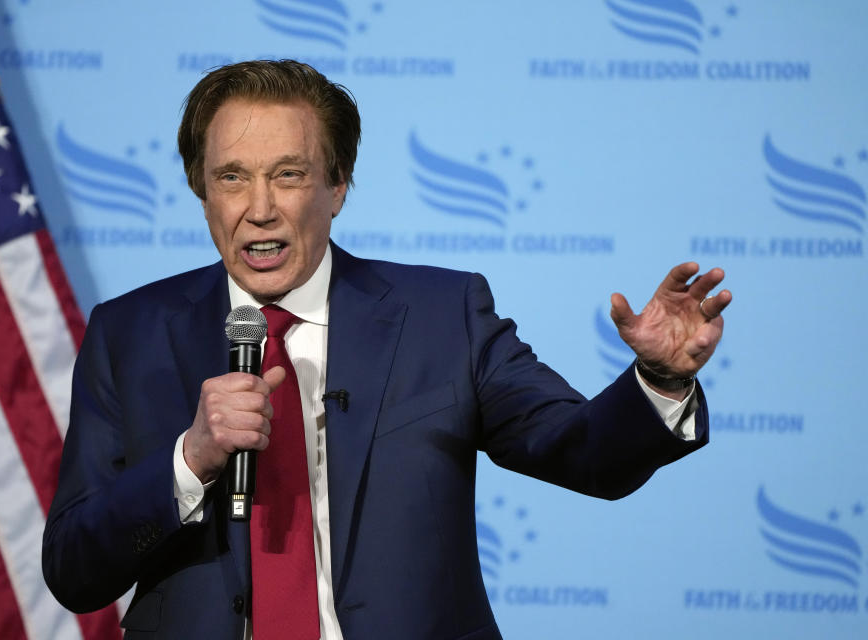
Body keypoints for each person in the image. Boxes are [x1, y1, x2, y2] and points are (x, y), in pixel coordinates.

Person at [42, 60, 731, 640]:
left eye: (287, 175)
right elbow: (74, 572)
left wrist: (658, 379)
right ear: (200, 190)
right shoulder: (128, 333)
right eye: (231, 177)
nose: (259, 208)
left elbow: (583, 452)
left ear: (337, 186)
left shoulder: (442, 317)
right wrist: (187, 461)